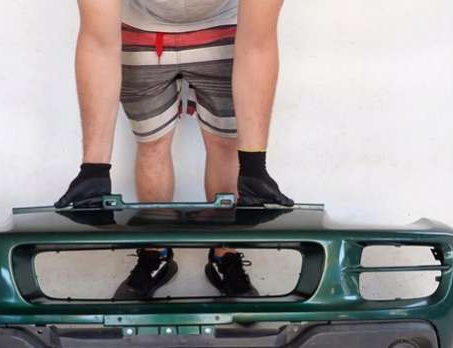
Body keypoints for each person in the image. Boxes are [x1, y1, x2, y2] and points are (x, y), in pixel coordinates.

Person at [55, 0, 294, 300]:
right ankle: (156, 252)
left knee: (225, 146)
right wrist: (94, 169)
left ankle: (225, 254)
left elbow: (257, 44)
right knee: (152, 145)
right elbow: (98, 42)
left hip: (224, 26)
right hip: (142, 30)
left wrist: (255, 166)